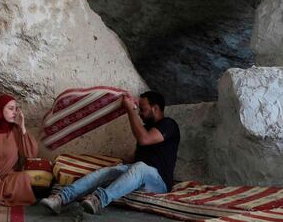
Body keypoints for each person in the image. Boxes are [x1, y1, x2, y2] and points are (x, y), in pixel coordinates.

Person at [40, 91, 180, 215]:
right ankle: (60, 198)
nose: (139, 113)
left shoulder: (169, 124)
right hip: (139, 171)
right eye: (138, 110)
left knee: (140, 167)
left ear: (155, 108)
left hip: (159, 181)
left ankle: (98, 200)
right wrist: (118, 164)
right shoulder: (145, 128)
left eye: (142, 109)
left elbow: (144, 140)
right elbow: (138, 155)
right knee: (105, 172)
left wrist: (129, 110)